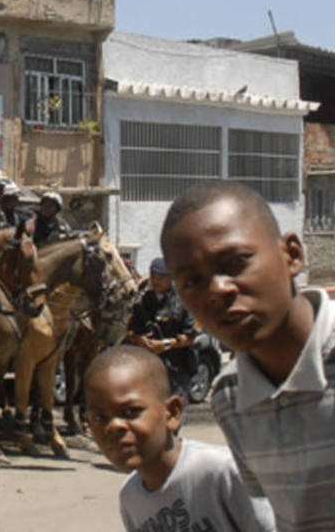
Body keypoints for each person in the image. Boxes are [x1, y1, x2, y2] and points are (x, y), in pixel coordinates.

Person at [161, 180, 335, 530]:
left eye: (236, 262)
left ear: (292, 255)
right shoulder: (229, 397)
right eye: (193, 282)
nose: (217, 290)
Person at [84, 345, 275, 532]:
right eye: (99, 418)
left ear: (172, 412)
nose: (113, 427)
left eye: (130, 411)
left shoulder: (221, 472)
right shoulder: (131, 498)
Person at [127, 257, 198, 398]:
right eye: (153, 276)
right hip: (147, 368)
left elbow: (191, 337)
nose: (156, 280)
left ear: (171, 277)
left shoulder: (184, 300)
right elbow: (130, 331)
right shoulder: (143, 300)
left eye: (161, 277)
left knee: (173, 412)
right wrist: (140, 340)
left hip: (176, 368)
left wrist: (164, 344)